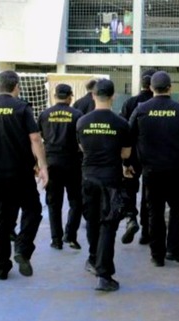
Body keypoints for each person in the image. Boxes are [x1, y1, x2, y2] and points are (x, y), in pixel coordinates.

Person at [0, 70, 48, 280]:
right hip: (20, 173)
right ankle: (22, 249)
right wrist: (42, 166)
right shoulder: (22, 107)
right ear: (16, 87)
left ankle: (0, 266)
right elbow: (35, 139)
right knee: (32, 209)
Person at [129, 71, 179, 267]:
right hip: (176, 171)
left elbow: (129, 138)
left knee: (155, 212)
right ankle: (174, 250)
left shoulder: (141, 109)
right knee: (178, 210)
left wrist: (129, 165)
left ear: (151, 88)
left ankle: (157, 255)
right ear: (170, 88)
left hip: (151, 171)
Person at [77, 79, 131, 291]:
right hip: (110, 179)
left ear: (93, 95)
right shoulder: (121, 123)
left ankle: (93, 259)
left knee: (92, 221)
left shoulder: (82, 122)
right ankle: (104, 274)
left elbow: (81, 147)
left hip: (88, 177)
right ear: (113, 96)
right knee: (108, 225)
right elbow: (126, 153)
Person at [38, 84, 84, 250]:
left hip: (51, 163)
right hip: (72, 163)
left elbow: (39, 140)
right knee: (76, 201)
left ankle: (56, 239)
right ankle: (70, 235)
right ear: (70, 96)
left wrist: (39, 164)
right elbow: (81, 142)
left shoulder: (44, 114)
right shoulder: (77, 115)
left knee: (53, 203)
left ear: (55, 95)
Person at [119, 69, 156, 245]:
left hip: (132, 154)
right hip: (150, 155)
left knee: (129, 189)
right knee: (148, 193)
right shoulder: (158, 103)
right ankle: (146, 232)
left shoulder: (129, 103)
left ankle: (131, 218)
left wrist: (125, 159)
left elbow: (124, 130)